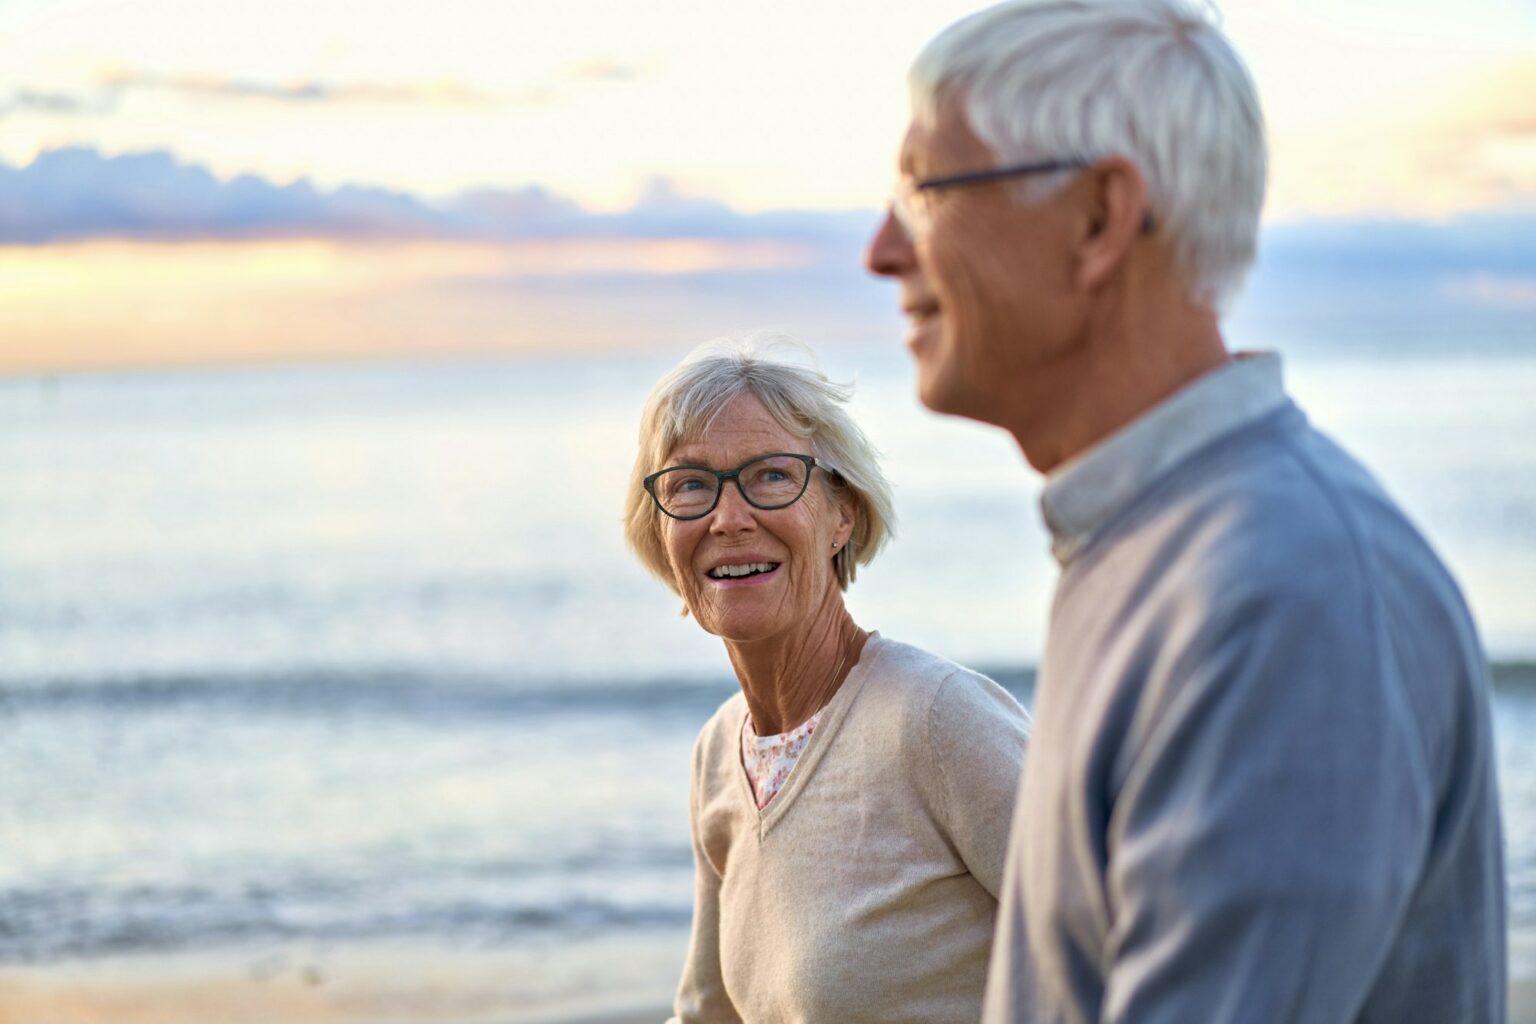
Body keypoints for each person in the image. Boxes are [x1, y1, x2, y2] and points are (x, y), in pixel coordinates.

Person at [865, 1, 1507, 1021]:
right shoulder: (1155, 545)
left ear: (1098, 219)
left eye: (925, 190)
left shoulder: (1280, 593)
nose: (881, 249)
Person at [624, 339, 1030, 1023]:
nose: (728, 518)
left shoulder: (936, 721)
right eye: (690, 485)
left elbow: (1131, 952)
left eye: (772, 476)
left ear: (843, 514)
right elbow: (708, 1014)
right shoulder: (721, 754)